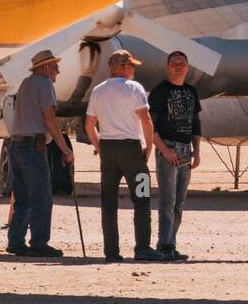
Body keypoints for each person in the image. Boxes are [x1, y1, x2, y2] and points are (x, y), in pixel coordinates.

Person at [85, 50, 170, 263]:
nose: (133, 70)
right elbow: (146, 120)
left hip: (109, 152)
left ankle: (111, 252)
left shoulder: (98, 90)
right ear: (125, 67)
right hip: (132, 151)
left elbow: (89, 125)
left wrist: (99, 147)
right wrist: (148, 147)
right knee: (142, 197)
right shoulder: (135, 88)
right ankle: (142, 248)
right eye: (132, 66)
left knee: (109, 202)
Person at [6, 50, 73, 257]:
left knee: (23, 196)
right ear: (45, 68)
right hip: (33, 146)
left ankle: (15, 240)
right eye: (54, 67)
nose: (58, 71)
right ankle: (39, 242)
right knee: (42, 197)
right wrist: (65, 149)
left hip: (16, 145)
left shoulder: (26, 83)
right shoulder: (45, 85)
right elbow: (50, 119)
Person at [147, 51, 203, 261]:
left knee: (179, 201)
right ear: (168, 67)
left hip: (185, 149)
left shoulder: (191, 91)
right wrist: (163, 149)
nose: (178, 66)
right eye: (174, 63)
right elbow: (150, 124)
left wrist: (196, 150)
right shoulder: (160, 92)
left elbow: (195, 122)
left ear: (187, 67)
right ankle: (164, 244)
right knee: (167, 200)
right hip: (168, 148)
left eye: (182, 63)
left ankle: (172, 241)